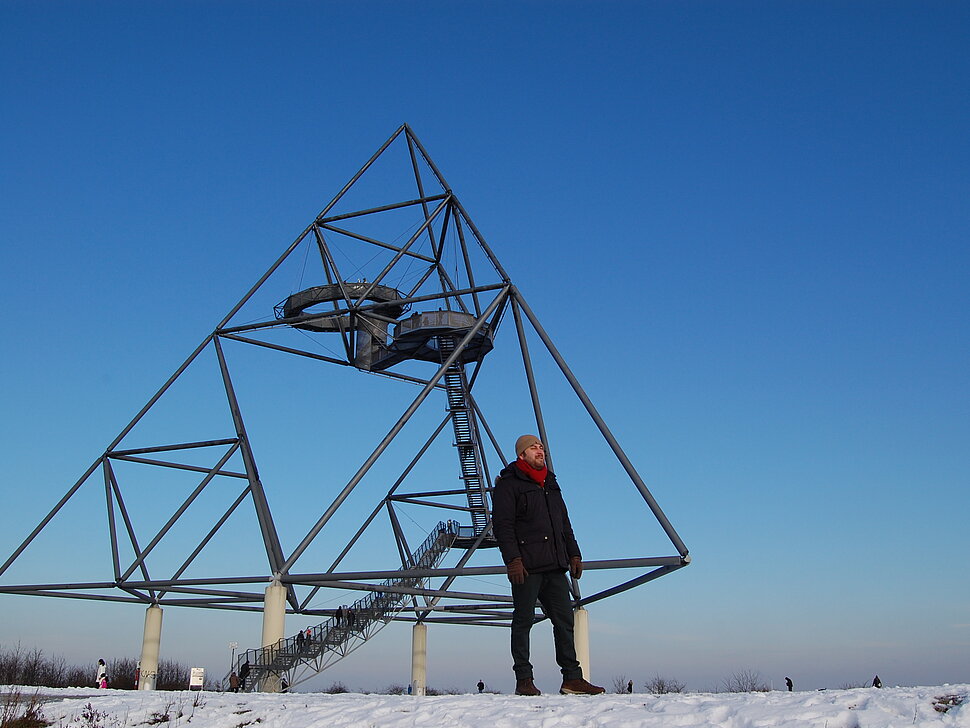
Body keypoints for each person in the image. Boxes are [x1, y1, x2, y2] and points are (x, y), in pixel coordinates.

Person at [492, 434, 605, 696]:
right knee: (523, 621)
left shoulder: (551, 484)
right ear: (522, 455)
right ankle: (524, 680)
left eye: (541, 447)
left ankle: (572, 678)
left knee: (564, 621)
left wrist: (574, 554)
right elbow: (503, 526)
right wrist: (513, 560)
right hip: (527, 565)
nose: (539, 450)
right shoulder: (509, 485)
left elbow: (564, 523)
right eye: (533, 448)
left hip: (554, 564)